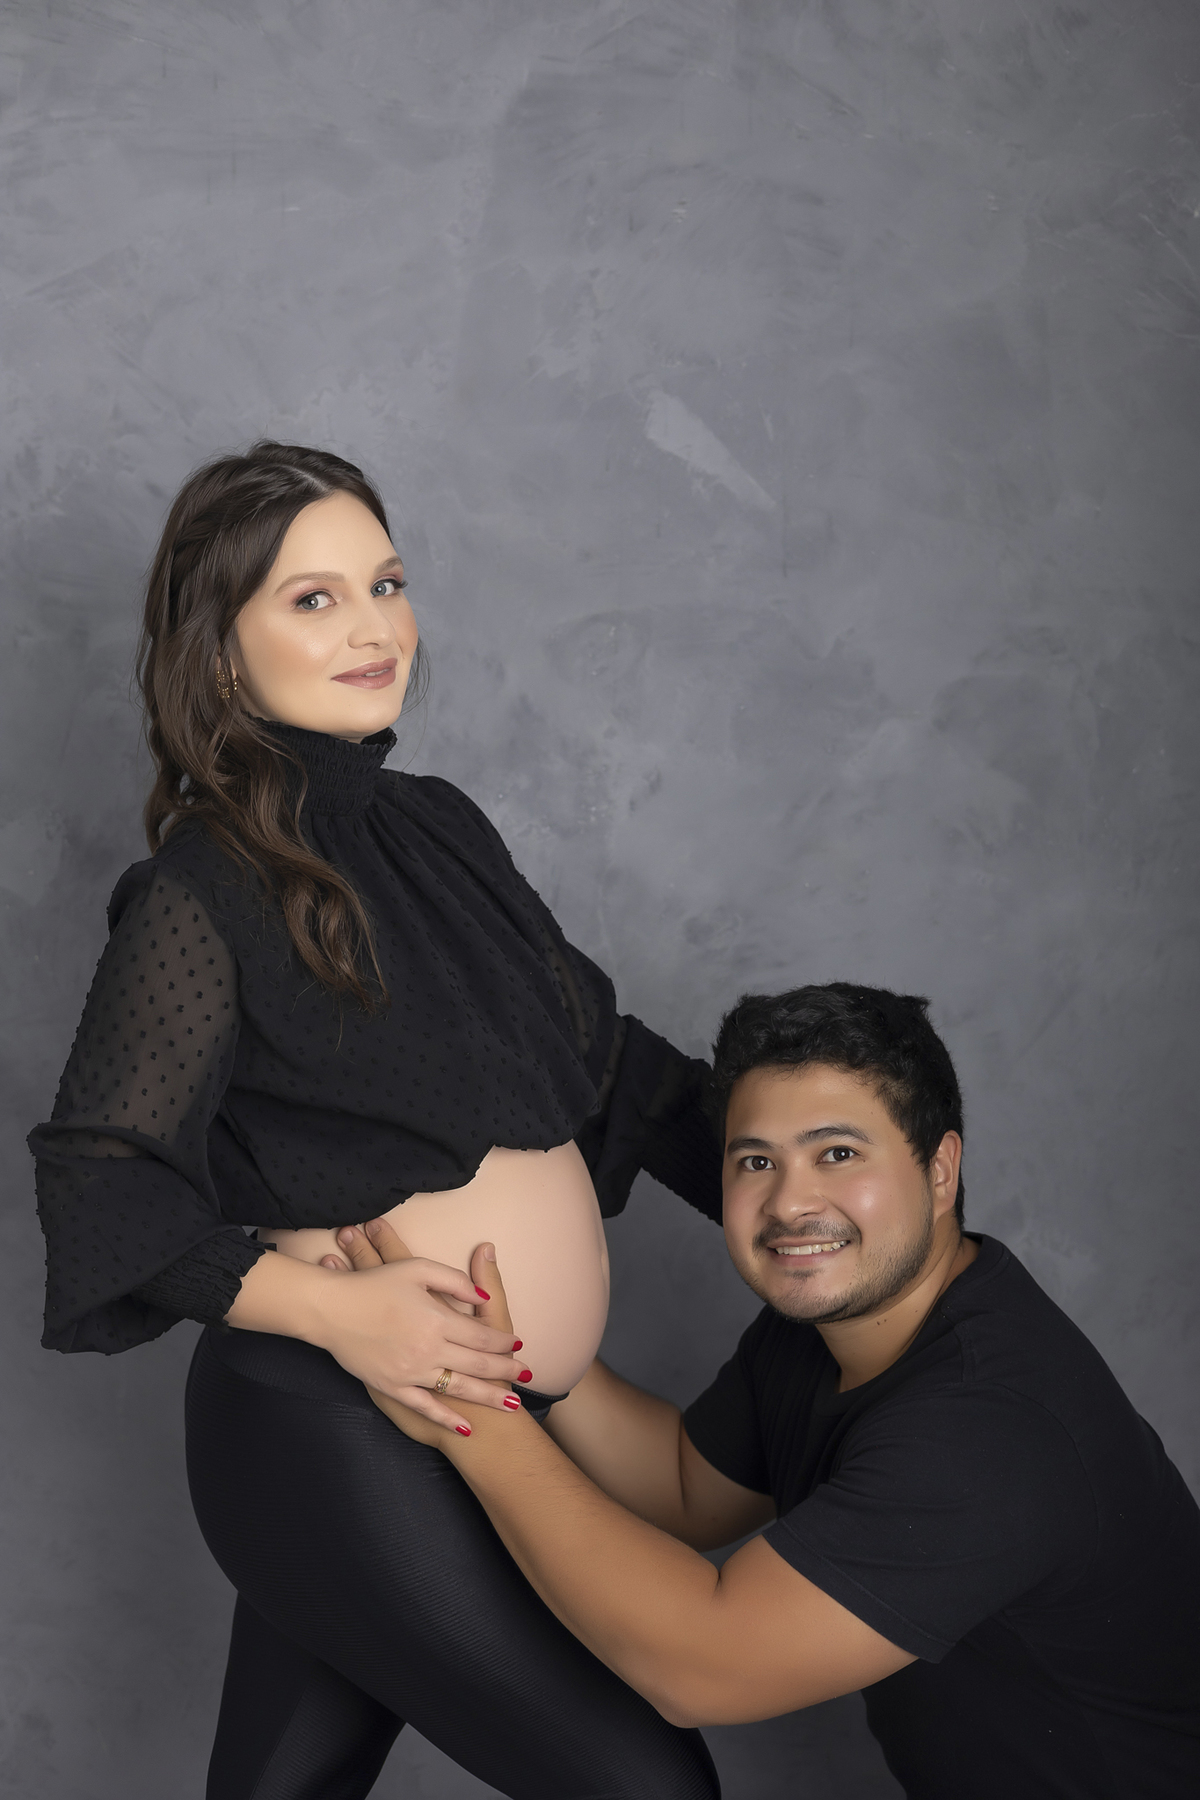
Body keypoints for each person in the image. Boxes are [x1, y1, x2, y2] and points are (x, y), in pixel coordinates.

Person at [28, 441, 727, 1800]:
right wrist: (345, 1316)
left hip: (458, 1422)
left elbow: (606, 1064)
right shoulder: (201, 889)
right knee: (649, 1789)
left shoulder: (440, 829)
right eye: (314, 599)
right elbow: (101, 1182)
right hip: (333, 1423)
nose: (374, 627)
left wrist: (822, 1189)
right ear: (219, 655)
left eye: (387, 584)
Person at [359, 982, 1200, 1800]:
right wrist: (509, 1351)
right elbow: (683, 1489)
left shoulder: (988, 1428)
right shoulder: (834, 1324)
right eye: (757, 1161)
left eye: (838, 1153)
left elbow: (702, 1668)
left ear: (940, 1170)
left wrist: (477, 1412)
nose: (791, 1203)